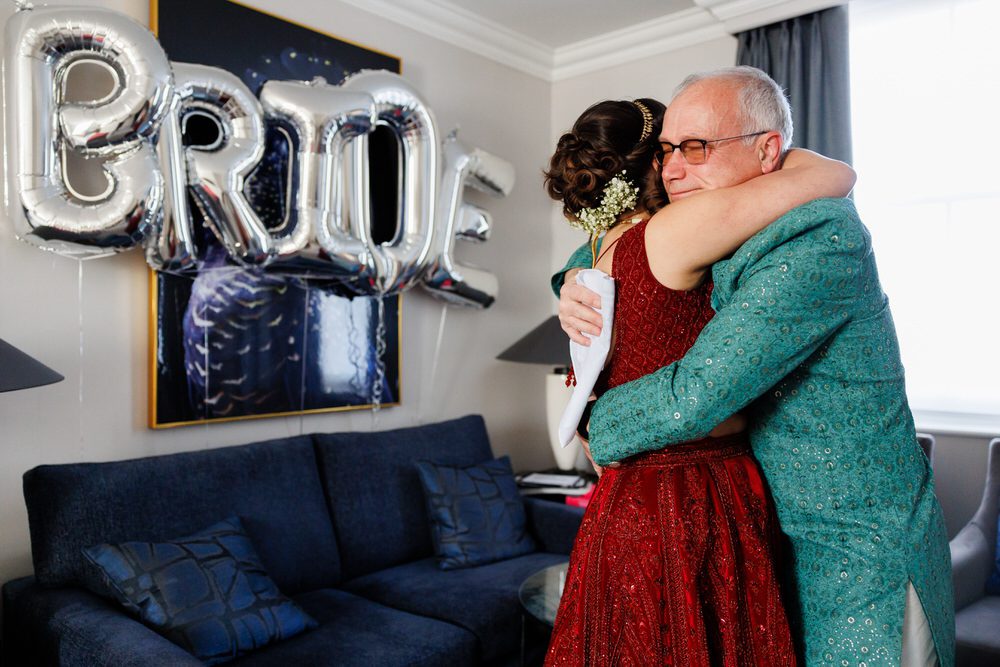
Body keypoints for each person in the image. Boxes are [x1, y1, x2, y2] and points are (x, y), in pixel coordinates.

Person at [556, 67, 954, 666]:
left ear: (769, 151)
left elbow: (695, 393)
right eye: (665, 150)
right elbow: (614, 248)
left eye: (695, 148)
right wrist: (568, 286)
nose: (671, 169)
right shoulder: (729, 227)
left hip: (860, 556)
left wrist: (590, 422)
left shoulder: (818, 235)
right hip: (770, 540)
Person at [542, 94, 856, 666]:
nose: (683, 161)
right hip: (693, 491)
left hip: (621, 498)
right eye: (673, 148)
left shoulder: (596, 252)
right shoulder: (677, 229)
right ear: (653, 163)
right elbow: (835, 174)